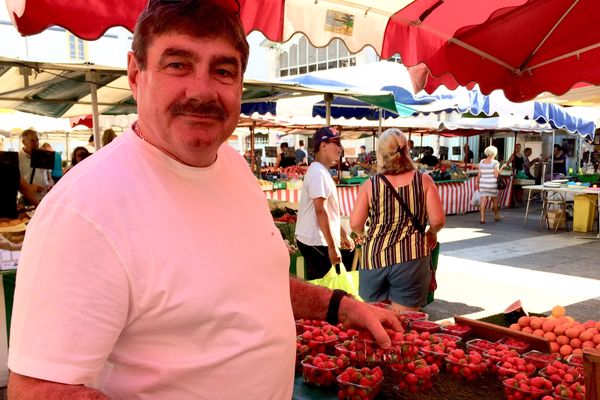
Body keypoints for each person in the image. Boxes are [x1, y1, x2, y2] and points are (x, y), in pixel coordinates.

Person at [7, 2, 401, 399]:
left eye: (223, 70)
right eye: (177, 64)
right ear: (135, 74)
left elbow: (253, 285)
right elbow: (37, 389)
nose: (202, 91)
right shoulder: (83, 210)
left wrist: (341, 306)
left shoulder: (233, 167)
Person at [349, 129, 445, 312]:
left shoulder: (371, 185)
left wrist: (366, 234)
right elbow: (438, 220)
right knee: (405, 326)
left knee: (375, 322)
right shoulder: (423, 181)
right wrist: (431, 233)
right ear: (407, 150)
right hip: (411, 258)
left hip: (375, 258)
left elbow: (355, 224)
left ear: (381, 154)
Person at [295, 127, 355, 280]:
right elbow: (320, 210)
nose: (340, 148)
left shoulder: (321, 172)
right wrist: (332, 246)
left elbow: (328, 210)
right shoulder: (317, 173)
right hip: (316, 241)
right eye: (336, 142)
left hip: (316, 240)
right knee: (324, 292)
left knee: (323, 290)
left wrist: (343, 235)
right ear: (323, 146)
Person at [17, 129, 52, 203]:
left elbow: (49, 176)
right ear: (24, 142)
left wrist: (50, 184)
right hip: (28, 199)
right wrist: (29, 188)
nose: (36, 143)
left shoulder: (43, 155)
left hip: (45, 198)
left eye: (37, 140)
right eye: (32, 140)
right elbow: (14, 182)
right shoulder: (18, 158)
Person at [476, 145, 506, 224]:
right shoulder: (495, 162)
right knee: (494, 200)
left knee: (483, 201)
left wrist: (477, 184)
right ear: (494, 153)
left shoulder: (481, 162)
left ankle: (482, 218)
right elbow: (497, 175)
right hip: (491, 183)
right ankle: (496, 216)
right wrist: (502, 167)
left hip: (483, 183)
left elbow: (479, 175)